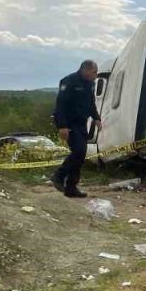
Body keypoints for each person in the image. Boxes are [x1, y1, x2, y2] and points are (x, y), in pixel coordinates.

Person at [51, 60, 103, 198]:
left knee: (81, 154)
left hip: (81, 123)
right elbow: (60, 105)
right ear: (84, 70)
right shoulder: (69, 81)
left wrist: (96, 117)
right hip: (69, 123)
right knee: (79, 151)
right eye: (94, 72)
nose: (96, 75)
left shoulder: (90, 83)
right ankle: (59, 176)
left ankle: (71, 187)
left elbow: (91, 103)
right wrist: (62, 126)